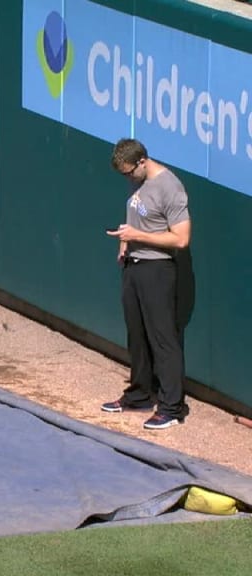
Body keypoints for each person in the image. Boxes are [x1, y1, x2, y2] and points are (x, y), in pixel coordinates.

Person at [103, 138, 191, 430]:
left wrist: (137, 237)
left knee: (163, 339)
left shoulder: (170, 187)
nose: (127, 178)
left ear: (142, 161)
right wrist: (125, 242)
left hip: (158, 269)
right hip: (134, 266)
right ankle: (139, 395)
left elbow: (180, 238)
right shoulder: (137, 181)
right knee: (137, 335)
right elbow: (140, 216)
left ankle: (171, 407)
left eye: (129, 172)